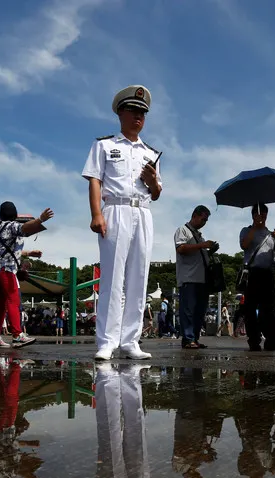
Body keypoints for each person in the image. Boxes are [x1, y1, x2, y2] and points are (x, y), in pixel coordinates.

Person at [83, 85, 162, 361]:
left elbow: (157, 192)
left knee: (139, 278)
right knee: (112, 279)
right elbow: (95, 179)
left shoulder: (150, 152)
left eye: (142, 112)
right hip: (115, 209)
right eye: (133, 110)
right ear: (120, 113)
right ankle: (106, 341)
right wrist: (96, 214)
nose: (138, 116)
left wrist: (153, 182)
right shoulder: (104, 145)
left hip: (143, 212)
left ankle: (131, 340)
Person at [0, 203, 53, 349]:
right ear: (14, 214)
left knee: (2, 305)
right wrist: (40, 219)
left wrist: (28, 253)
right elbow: (23, 228)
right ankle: (17, 335)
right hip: (6, 271)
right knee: (13, 301)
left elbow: (7, 250)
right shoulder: (11, 225)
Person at [239, 203, 275, 351]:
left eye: (265, 214)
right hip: (252, 273)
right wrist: (254, 227)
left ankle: (271, 340)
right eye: (259, 214)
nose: (262, 217)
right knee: (250, 308)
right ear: (253, 216)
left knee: (269, 308)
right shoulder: (246, 230)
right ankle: (254, 340)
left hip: (267, 273)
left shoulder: (270, 234)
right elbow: (244, 245)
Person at [174, 205, 218, 349]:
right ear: (195, 215)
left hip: (201, 279)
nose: (204, 222)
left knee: (199, 311)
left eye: (206, 220)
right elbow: (181, 249)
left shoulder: (199, 235)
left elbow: (200, 255)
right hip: (189, 278)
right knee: (188, 311)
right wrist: (202, 245)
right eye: (203, 219)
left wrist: (209, 250)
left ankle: (194, 338)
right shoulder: (183, 231)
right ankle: (188, 338)